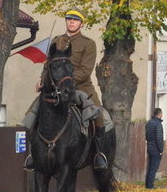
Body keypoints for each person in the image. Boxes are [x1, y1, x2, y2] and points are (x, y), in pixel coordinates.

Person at [22, 10, 107, 171]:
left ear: (81, 24)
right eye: (69, 19)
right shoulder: (56, 40)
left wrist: (66, 82)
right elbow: (48, 65)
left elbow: (85, 70)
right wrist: (42, 79)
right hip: (55, 89)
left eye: (75, 20)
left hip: (81, 87)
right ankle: (33, 155)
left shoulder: (88, 43)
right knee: (31, 115)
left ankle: (98, 154)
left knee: (99, 115)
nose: (71, 22)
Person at [145, 108, 164, 189]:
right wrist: (161, 150)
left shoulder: (149, 123)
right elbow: (159, 138)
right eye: (161, 113)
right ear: (159, 114)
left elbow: (146, 136)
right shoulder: (158, 124)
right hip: (156, 148)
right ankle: (150, 185)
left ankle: (147, 184)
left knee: (150, 167)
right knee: (154, 168)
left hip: (149, 147)